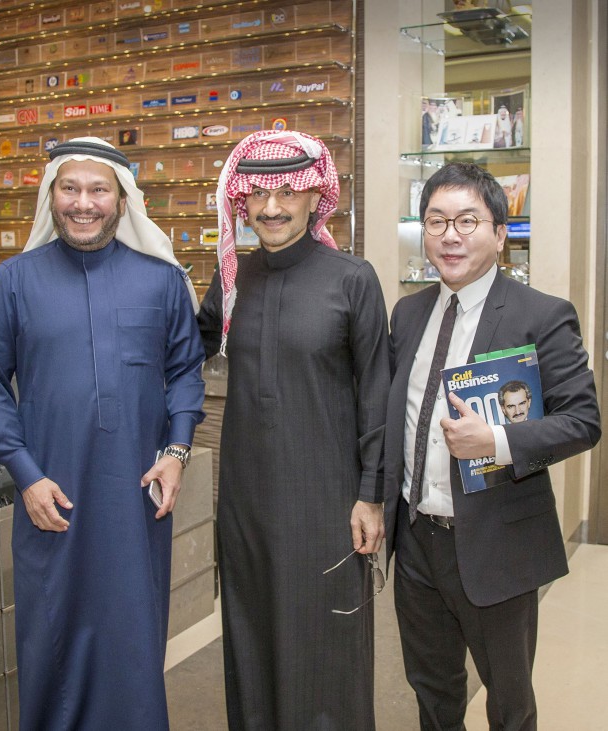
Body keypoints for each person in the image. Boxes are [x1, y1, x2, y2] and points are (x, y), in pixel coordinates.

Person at [0, 137, 205, 730]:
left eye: (98, 190)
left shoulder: (161, 281)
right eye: (69, 188)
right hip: (51, 497)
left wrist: (176, 451)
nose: (83, 203)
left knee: (132, 638)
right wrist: (26, 477)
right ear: (51, 196)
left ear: (122, 201)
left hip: (137, 496)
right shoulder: (13, 281)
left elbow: (185, 372)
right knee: (53, 640)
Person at [384, 161, 601, 731]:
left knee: (509, 705)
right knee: (432, 694)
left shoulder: (541, 315)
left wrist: (498, 440)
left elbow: (583, 421)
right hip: (417, 540)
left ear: (500, 234)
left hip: (497, 543)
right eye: (436, 221)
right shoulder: (408, 314)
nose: (449, 236)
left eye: (467, 221)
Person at [197, 129, 390, 729]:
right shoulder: (232, 280)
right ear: (242, 202)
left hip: (327, 502)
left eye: (287, 192)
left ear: (315, 197)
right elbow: (177, 352)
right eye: (258, 194)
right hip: (246, 505)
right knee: (251, 642)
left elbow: (376, 396)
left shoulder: (352, 279)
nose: (272, 208)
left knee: (327, 649)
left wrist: (372, 494)